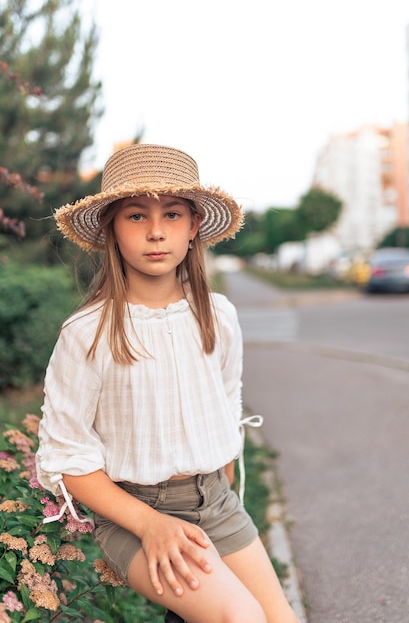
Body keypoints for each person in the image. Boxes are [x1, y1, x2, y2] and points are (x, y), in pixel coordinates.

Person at [36, 143, 300, 623]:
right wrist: (150, 524)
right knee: (239, 617)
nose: (156, 232)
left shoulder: (218, 316)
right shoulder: (87, 334)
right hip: (134, 514)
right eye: (136, 216)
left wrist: (221, 492)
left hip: (214, 504)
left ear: (194, 225)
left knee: (281, 617)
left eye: (173, 214)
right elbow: (66, 457)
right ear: (111, 228)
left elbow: (225, 401)